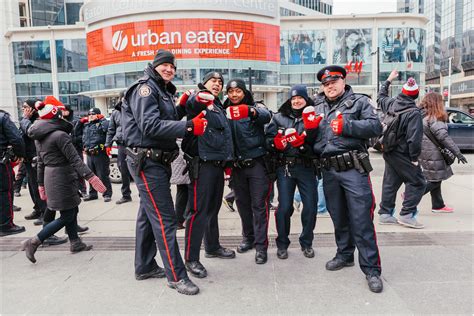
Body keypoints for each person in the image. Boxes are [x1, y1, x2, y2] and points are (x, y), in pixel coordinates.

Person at [122, 49, 204, 295]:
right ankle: (176, 276)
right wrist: (189, 126)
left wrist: (183, 109)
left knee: (148, 216)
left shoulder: (162, 90)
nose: (169, 69)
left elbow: (163, 119)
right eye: (165, 65)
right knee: (166, 220)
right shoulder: (145, 88)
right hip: (148, 161)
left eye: (173, 66)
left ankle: (144, 265)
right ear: (155, 65)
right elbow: (149, 125)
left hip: (156, 161)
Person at [313, 65, 383, 293]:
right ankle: (344, 254)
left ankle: (371, 269)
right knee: (338, 217)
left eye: (333, 81)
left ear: (343, 81)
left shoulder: (360, 102)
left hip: (353, 169)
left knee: (361, 220)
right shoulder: (317, 105)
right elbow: (313, 136)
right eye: (325, 83)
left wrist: (348, 126)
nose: (329, 86)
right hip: (329, 170)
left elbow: (376, 127)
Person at [21, 98, 106, 262]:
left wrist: (40, 184)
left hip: (50, 176)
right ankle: (35, 241)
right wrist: (91, 177)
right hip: (62, 176)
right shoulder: (60, 135)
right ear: (56, 116)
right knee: (67, 215)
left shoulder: (40, 135)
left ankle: (75, 242)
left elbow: (40, 162)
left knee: (71, 210)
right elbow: (75, 159)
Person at [178, 71, 235, 279]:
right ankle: (191, 258)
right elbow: (191, 103)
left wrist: (228, 162)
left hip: (217, 164)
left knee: (212, 208)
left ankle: (212, 246)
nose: (217, 84)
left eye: (220, 82)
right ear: (204, 83)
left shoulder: (218, 106)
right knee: (198, 211)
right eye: (213, 81)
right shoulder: (200, 98)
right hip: (202, 163)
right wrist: (197, 97)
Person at [265, 84, 320, 260]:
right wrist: (276, 144)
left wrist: (303, 145)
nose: (296, 101)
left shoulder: (313, 116)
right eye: (293, 98)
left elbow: (319, 145)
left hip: (307, 166)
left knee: (310, 207)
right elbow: (268, 140)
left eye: (300, 98)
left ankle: (307, 242)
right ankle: (282, 243)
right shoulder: (279, 117)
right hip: (285, 168)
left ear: (306, 99)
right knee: (284, 207)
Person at [223, 78, 272, 264]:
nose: (234, 95)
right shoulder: (223, 111)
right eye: (230, 91)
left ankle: (261, 246)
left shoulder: (255, 107)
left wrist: (250, 111)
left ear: (244, 92)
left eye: (238, 91)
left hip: (257, 164)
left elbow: (266, 116)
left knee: (259, 206)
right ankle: (248, 238)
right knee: (242, 205)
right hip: (236, 168)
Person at [377, 69, 426, 229]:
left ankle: (385, 214)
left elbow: (381, 96)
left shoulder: (391, 104)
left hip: (388, 150)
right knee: (418, 182)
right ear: (415, 95)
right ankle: (407, 214)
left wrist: (389, 79)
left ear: (403, 92)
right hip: (403, 154)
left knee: (391, 182)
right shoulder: (413, 113)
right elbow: (414, 139)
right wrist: (414, 158)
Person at [418, 92, 467, 212]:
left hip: (424, 152)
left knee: (435, 178)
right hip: (434, 153)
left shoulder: (421, 115)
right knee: (435, 180)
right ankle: (412, 196)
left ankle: (438, 205)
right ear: (437, 103)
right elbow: (443, 137)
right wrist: (458, 153)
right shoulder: (434, 118)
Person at [20, 99, 47, 222]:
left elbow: (31, 132)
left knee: (38, 186)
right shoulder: (26, 121)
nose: (23, 109)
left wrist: (25, 119)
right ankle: (37, 208)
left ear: (32, 109)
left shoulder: (38, 121)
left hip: (37, 159)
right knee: (32, 186)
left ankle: (44, 213)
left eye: (25, 107)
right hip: (27, 159)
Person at [0, 109, 26, 237]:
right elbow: (16, 139)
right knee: (5, 192)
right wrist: (20, 154)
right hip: (1, 164)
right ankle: (5, 225)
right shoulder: (3, 117)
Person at [106, 90, 132, 205]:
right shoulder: (115, 112)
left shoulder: (135, 109)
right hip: (121, 144)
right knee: (123, 169)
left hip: (134, 144)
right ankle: (126, 195)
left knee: (138, 169)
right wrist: (108, 144)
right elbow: (111, 130)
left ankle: (143, 195)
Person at [81, 107, 112, 202]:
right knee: (91, 175)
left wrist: (101, 118)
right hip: (89, 154)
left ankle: (107, 194)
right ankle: (93, 194)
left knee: (102, 175)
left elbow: (108, 128)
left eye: (93, 114)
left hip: (100, 153)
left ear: (98, 114)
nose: (90, 116)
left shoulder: (102, 123)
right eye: (89, 114)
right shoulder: (87, 125)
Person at [170, 139, 190, 229]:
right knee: (188, 190)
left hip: (179, 162)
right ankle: (184, 219)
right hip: (183, 162)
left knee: (182, 191)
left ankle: (179, 220)